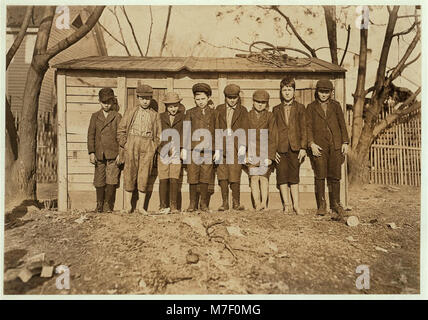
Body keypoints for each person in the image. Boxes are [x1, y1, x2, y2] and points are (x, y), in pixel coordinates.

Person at [306, 79, 349, 220]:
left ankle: (336, 204)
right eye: (321, 92)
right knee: (320, 175)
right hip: (319, 147)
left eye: (326, 92)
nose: (323, 95)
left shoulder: (336, 106)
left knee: (335, 176)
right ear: (316, 92)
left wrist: (345, 142)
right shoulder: (311, 107)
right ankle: (321, 205)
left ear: (331, 93)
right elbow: (308, 127)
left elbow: (342, 124)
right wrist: (311, 143)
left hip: (335, 145)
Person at [117, 82, 161, 214]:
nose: (145, 101)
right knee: (129, 173)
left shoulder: (155, 115)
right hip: (132, 143)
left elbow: (159, 135)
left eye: (147, 99)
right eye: (142, 99)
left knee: (144, 174)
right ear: (138, 98)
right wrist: (125, 144)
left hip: (147, 145)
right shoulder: (130, 112)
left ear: (151, 99)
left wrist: (153, 146)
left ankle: (141, 207)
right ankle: (128, 206)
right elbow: (121, 130)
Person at [272, 77, 307, 215]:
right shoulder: (275, 109)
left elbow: (304, 128)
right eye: (284, 90)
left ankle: (296, 206)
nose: (287, 92)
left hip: (295, 148)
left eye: (289, 90)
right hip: (280, 149)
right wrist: (273, 150)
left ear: (294, 91)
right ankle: (286, 205)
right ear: (281, 92)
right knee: (282, 176)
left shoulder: (300, 108)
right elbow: (272, 131)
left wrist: (303, 147)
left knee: (294, 176)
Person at [87, 88, 123, 213]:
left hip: (113, 153)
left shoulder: (117, 116)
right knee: (99, 179)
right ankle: (99, 204)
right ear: (99, 102)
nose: (106, 105)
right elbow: (91, 134)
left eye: (109, 102)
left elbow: (121, 136)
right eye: (104, 102)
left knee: (112, 178)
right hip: (99, 153)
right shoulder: (95, 116)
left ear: (113, 102)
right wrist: (91, 152)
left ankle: (108, 205)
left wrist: (120, 153)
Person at [214, 84, 249, 211]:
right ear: (225, 97)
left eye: (234, 97)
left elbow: (245, 129)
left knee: (235, 172)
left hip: (235, 145)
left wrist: (243, 147)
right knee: (222, 173)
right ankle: (224, 203)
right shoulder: (219, 109)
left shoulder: (243, 110)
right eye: (229, 97)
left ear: (238, 97)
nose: (232, 100)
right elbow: (216, 128)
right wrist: (217, 148)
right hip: (222, 144)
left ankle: (236, 202)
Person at [182, 83, 216, 212]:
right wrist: (184, 149)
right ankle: (192, 203)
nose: (200, 102)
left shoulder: (214, 113)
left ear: (208, 98)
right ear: (194, 100)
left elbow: (217, 131)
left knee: (205, 176)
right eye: (198, 99)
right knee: (192, 176)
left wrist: (217, 150)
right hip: (193, 150)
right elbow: (186, 131)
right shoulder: (190, 112)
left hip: (207, 150)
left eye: (203, 99)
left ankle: (204, 203)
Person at [246, 90, 277, 211]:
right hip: (252, 151)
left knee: (264, 178)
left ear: (267, 104)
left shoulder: (270, 116)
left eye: (263, 102)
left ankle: (264, 204)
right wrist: (246, 153)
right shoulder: (248, 116)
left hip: (265, 150)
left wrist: (270, 156)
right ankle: (257, 204)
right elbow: (244, 134)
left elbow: (273, 136)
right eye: (257, 102)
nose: (260, 104)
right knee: (254, 177)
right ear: (253, 102)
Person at [158, 92, 185, 214]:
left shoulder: (183, 117)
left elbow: (186, 133)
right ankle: (163, 205)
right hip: (163, 149)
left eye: (175, 106)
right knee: (163, 177)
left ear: (178, 105)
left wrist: (182, 148)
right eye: (170, 106)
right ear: (166, 106)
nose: (173, 109)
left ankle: (174, 206)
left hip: (176, 150)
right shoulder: (160, 117)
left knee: (174, 177)